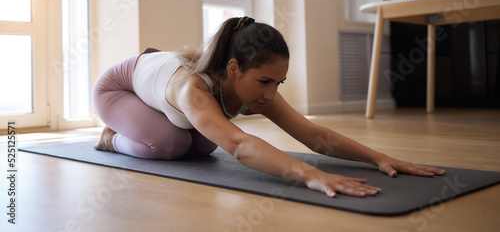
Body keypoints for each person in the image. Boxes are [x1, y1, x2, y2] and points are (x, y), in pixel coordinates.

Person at [93, 16, 445, 198]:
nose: (271, 92)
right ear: (234, 69)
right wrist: (311, 175)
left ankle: (141, 127)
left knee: (201, 146)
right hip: (118, 90)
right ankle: (112, 138)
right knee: (172, 145)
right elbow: (241, 145)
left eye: (279, 83)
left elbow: (314, 135)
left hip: (157, 92)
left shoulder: (255, 87)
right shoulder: (193, 91)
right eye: (265, 81)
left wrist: (380, 158)